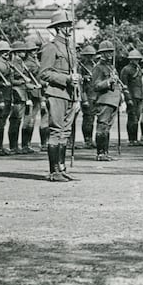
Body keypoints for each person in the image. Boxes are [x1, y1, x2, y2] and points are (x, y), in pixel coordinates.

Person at [39, 10, 80, 182]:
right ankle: (53, 171)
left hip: (70, 95)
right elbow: (44, 73)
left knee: (65, 132)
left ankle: (61, 168)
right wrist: (67, 79)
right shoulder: (51, 47)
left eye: (70, 24)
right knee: (56, 131)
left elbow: (75, 75)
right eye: (66, 25)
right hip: (56, 93)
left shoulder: (70, 48)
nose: (69, 28)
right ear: (58, 28)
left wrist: (78, 97)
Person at [92, 40, 122, 161]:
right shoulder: (98, 68)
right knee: (102, 126)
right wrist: (109, 81)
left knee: (108, 127)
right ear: (101, 54)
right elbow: (96, 85)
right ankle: (100, 153)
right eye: (106, 52)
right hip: (104, 100)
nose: (110, 54)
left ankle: (105, 152)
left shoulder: (112, 67)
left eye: (111, 52)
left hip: (113, 100)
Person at [120, 50, 143, 146]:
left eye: (138, 59)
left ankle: (135, 139)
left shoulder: (138, 69)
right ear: (130, 59)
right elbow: (124, 85)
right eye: (135, 59)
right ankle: (131, 139)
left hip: (139, 96)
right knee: (132, 118)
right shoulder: (126, 70)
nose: (137, 61)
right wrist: (128, 98)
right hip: (132, 96)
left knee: (137, 118)